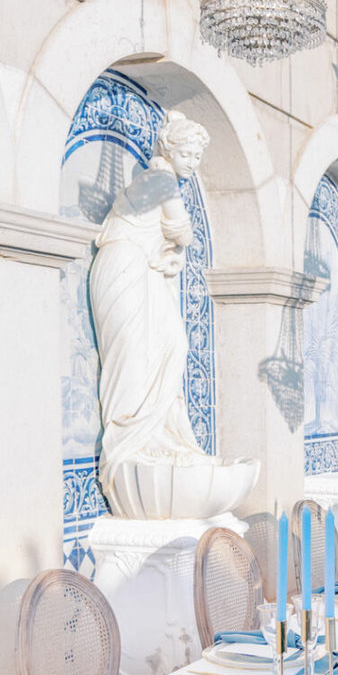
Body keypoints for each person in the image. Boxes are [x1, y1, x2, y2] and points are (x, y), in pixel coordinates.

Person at [89, 110, 211, 515]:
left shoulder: (160, 180)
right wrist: (173, 249)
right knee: (134, 355)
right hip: (124, 267)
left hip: (140, 268)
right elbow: (183, 231)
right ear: (170, 150)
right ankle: (129, 441)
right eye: (189, 154)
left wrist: (168, 255)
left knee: (172, 344)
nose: (193, 163)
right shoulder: (161, 178)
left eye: (197, 156)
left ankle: (156, 434)